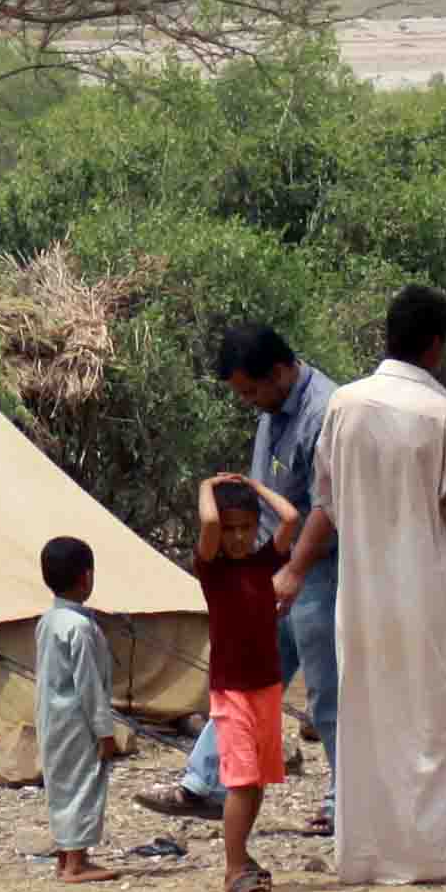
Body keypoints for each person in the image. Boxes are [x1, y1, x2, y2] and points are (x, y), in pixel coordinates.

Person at [274, 287, 446, 884]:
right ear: (435, 345)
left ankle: (367, 852)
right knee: (429, 716)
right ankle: (434, 852)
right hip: (425, 589)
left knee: (365, 712)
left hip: (358, 592)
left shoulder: (346, 405)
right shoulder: (442, 415)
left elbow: (326, 500)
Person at [163, 324, 341, 819]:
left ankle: (342, 800)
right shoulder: (272, 410)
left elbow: (328, 506)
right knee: (246, 679)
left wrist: (296, 570)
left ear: (281, 372)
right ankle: (204, 784)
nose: (247, 401)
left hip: (317, 570)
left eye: (250, 390)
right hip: (270, 568)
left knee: (327, 690)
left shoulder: (325, 412)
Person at [191, 470, 300, 892]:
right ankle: (234, 869)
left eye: (246, 528)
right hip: (232, 689)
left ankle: (243, 855)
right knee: (241, 781)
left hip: (267, 687)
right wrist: (207, 487)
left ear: (257, 527)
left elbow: (291, 518)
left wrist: (255, 488)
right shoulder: (212, 569)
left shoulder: (262, 563)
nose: (236, 537)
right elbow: (211, 526)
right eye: (230, 528)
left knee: (257, 783)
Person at [32, 534, 125, 885]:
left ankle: (65, 856)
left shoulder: (48, 621)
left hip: (51, 716)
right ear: (86, 577)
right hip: (77, 720)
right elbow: (89, 686)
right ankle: (75, 864)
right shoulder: (80, 628)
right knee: (84, 784)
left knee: (63, 785)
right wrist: (104, 731)